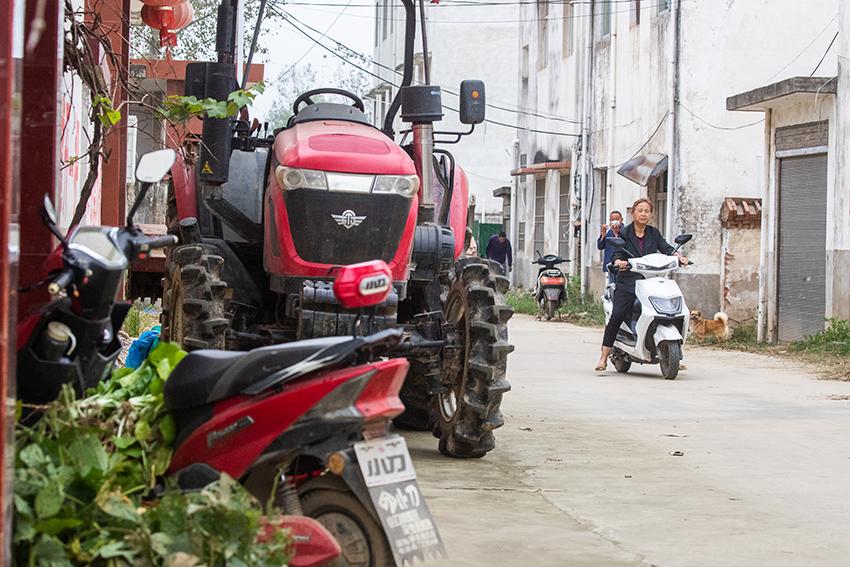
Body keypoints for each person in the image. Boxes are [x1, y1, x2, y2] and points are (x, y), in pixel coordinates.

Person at [595, 198, 688, 372]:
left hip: (651, 282)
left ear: (651, 214)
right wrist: (619, 261)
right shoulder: (625, 234)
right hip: (628, 282)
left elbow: (667, 249)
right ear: (633, 213)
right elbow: (616, 253)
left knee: (672, 311)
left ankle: (674, 353)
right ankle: (603, 356)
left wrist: (679, 257)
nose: (644, 214)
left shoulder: (654, 233)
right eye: (640, 210)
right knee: (617, 315)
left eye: (647, 211)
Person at [597, 210, 624, 284]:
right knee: (611, 285)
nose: (615, 221)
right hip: (610, 264)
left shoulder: (626, 231)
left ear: (621, 220)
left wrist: (617, 232)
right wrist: (603, 234)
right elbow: (600, 246)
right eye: (612, 220)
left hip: (622, 264)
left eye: (617, 219)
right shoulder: (608, 232)